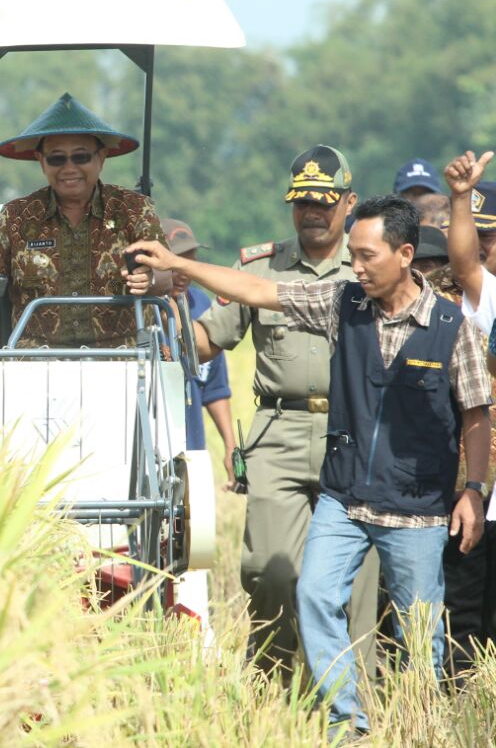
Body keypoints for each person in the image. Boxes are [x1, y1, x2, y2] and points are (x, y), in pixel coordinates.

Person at [130, 195, 491, 735]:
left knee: (420, 631)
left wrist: (476, 490)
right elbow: (258, 290)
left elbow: (477, 415)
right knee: (313, 596)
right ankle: (348, 723)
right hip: (343, 500)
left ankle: (422, 728)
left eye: (368, 256)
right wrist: (178, 265)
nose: (357, 266)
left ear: (405, 254)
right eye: (354, 254)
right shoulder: (341, 303)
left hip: (415, 507)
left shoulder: (450, 326)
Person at [193, 145, 378, 678]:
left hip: (355, 431)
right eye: (302, 202)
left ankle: (354, 702)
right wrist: (164, 320)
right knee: (268, 570)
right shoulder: (257, 267)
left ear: (349, 203)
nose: (312, 212)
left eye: (324, 200)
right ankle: (276, 680)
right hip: (279, 431)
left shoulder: (371, 266)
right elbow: (208, 339)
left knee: (357, 579)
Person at [0, 93, 164, 348]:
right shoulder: (16, 217)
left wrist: (149, 279)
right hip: (36, 365)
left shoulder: (133, 209)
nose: (69, 168)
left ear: (101, 157)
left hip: (124, 360)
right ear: (41, 161)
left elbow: (166, 274)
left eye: (81, 157)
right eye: (57, 159)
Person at [434, 150, 496, 675]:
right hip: (479, 485)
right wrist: (458, 198)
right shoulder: (487, 297)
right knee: (466, 617)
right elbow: (462, 265)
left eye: (490, 237)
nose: (482, 247)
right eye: (478, 236)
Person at [163, 218, 237, 488]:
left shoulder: (202, 304)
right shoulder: (135, 308)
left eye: (190, 261)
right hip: (148, 448)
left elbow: (215, 387)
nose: (184, 272)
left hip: (190, 450)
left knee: (191, 526)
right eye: (176, 261)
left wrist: (231, 447)